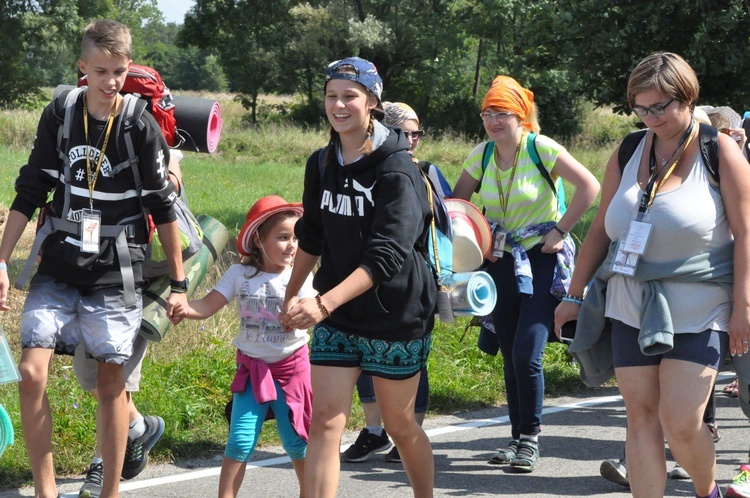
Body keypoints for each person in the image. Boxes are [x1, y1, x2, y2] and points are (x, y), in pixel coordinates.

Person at [0, 19, 187, 498]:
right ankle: (45, 491)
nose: (110, 82)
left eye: (119, 72)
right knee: (30, 371)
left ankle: (109, 492)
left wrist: (181, 285)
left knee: (109, 384)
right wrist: (1, 260)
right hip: (60, 262)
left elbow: (162, 208)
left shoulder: (137, 124)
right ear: (83, 68)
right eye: (100, 71)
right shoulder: (60, 112)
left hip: (114, 269)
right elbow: (29, 190)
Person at [555, 52, 750, 498]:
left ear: (687, 98)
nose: (652, 117)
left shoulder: (718, 151)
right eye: (642, 108)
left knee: (680, 423)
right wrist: (575, 293)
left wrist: (744, 307)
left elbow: (746, 235)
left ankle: (708, 491)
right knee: (640, 417)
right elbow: (602, 231)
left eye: (661, 106)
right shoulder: (627, 149)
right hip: (629, 302)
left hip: (702, 307)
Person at [280, 57, 437, 497]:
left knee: (399, 425)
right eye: (331, 95)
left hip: (394, 313)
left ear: (372, 102)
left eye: (349, 95)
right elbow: (311, 234)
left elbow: (387, 255)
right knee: (326, 420)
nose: (339, 104)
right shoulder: (322, 162)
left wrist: (323, 302)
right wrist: (291, 297)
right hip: (338, 314)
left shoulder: (397, 169)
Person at [451, 75, 599, 472]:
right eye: (488, 113)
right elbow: (455, 203)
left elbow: (589, 185)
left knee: (526, 352)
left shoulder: (540, 147)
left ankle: (530, 439)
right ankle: (516, 438)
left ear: (521, 116)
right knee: (509, 354)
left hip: (542, 261)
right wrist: (470, 237)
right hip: (498, 262)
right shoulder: (480, 155)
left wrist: (561, 229)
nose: (494, 121)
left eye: (503, 113)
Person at [172, 194, 314, 498]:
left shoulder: (299, 274)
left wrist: (298, 317)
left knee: (297, 443)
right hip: (252, 370)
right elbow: (209, 305)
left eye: (297, 238)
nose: (292, 245)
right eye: (283, 237)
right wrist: (185, 308)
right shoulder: (240, 274)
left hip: (292, 371)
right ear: (258, 240)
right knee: (239, 442)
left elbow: (310, 310)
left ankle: (311, 493)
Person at [340, 101, 451, 465]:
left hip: (410, 286)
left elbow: (451, 225)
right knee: (362, 360)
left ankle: (407, 433)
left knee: (412, 364)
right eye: (406, 132)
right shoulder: (364, 166)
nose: (414, 139)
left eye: (418, 132)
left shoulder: (427, 171)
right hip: (361, 279)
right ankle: (374, 432)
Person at [73, 152, 186, 497]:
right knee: (86, 371)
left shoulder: (150, 132)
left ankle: (102, 464)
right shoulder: (83, 132)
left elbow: (173, 188)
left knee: (113, 376)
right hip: (94, 264)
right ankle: (137, 426)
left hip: (140, 271)